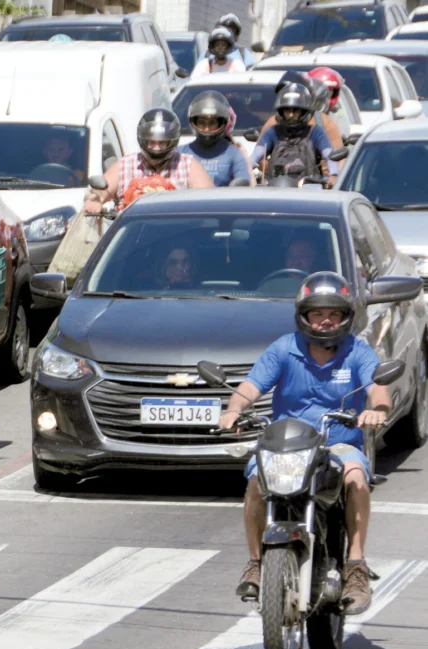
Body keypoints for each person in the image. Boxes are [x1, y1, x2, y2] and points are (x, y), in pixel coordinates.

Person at [222, 272, 386, 615]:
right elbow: (251, 387)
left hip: (338, 444)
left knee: (356, 479)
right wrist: (234, 409)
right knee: (255, 482)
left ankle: (355, 565)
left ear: (345, 317)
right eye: (317, 314)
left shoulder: (358, 350)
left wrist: (377, 411)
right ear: (304, 316)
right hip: (288, 445)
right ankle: (255, 562)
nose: (325, 321)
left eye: (334, 314)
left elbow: (377, 387)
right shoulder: (284, 348)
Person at [83, 109, 215, 214]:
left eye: (162, 143)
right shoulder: (125, 166)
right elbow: (99, 193)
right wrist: (94, 200)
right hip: (133, 237)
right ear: (142, 140)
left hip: (178, 236)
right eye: (151, 142)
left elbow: (211, 203)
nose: (156, 148)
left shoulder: (187, 166)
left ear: (173, 142)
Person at [251, 84, 340, 184]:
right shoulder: (273, 131)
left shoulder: (316, 132)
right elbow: (256, 155)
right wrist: (247, 171)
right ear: (281, 111)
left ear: (304, 111)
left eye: (295, 110)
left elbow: (329, 154)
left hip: (308, 188)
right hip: (274, 187)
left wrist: (333, 175)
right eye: (287, 110)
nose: (291, 115)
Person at [179, 91, 252, 187]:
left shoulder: (234, 153)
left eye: (212, 123)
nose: (207, 129)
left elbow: (244, 186)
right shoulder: (180, 153)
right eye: (202, 123)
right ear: (193, 122)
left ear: (222, 123)